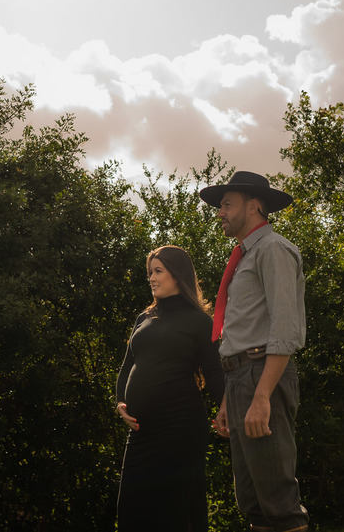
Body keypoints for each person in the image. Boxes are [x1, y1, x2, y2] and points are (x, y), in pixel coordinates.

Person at [201, 171, 308, 532]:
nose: (220, 213)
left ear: (254, 205)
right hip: (240, 380)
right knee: (253, 503)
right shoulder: (244, 255)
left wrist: (261, 396)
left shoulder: (273, 250)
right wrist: (229, 401)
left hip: (263, 376)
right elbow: (241, 333)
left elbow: (284, 330)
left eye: (227, 204)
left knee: (279, 502)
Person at [115, 245, 225, 531]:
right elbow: (128, 366)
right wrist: (120, 403)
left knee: (175, 513)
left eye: (158, 271)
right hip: (141, 433)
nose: (151, 278)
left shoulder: (199, 321)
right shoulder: (144, 317)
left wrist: (226, 407)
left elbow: (214, 371)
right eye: (149, 272)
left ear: (177, 274)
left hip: (179, 429)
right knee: (130, 510)